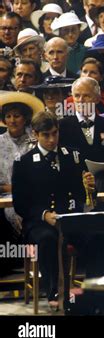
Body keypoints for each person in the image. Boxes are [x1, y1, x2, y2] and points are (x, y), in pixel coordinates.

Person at [12, 111, 104, 308]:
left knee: (98, 236)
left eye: (55, 133)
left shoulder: (72, 155)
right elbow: (21, 203)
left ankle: (93, 288)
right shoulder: (24, 163)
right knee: (48, 240)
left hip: (70, 217)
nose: (52, 139)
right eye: (46, 135)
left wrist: (88, 187)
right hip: (40, 222)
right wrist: (44, 214)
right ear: (36, 134)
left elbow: (79, 193)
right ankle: (54, 290)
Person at [59, 77, 104, 191]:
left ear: (97, 99)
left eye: (86, 96)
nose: (81, 100)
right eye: (77, 96)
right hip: (73, 187)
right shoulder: (61, 126)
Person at [0, 92, 41, 237]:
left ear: (25, 118)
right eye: (8, 116)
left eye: (16, 116)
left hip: (34, 196)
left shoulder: (35, 140)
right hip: (6, 199)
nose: (12, 120)